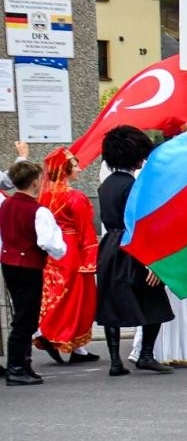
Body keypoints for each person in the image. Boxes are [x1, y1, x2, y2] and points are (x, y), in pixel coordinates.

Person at [95, 125, 174, 376]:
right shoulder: (134, 185)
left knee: (110, 302)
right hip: (133, 244)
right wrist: (153, 261)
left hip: (110, 245)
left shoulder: (105, 186)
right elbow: (141, 223)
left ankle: (116, 361)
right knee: (155, 300)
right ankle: (146, 354)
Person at [1, 159, 67, 385]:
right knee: (25, 319)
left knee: (22, 315)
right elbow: (50, 243)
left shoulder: (5, 205)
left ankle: (23, 365)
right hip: (28, 265)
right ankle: (16, 369)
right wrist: (59, 250)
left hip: (9, 262)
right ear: (35, 182)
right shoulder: (38, 211)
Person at [34, 149, 100, 365]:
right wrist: (91, 255)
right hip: (72, 249)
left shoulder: (44, 196)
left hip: (52, 251)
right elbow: (86, 230)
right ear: (65, 169)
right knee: (77, 298)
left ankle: (74, 346)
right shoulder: (75, 197)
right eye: (75, 165)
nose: (79, 169)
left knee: (56, 295)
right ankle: (54, 335)